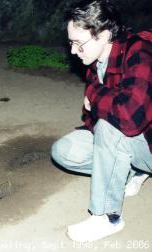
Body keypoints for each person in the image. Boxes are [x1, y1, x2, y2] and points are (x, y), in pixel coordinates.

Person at [51, 0, 152, 242]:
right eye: (70, 43)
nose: (73, 51)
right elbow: (92, 117)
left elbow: (128, 118)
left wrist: (95, 97)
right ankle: (130, 172)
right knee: (64, 151)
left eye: (78, 43)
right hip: (132, 142)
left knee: (112, 123)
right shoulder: (97, 61)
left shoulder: (141, 53)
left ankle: (107, 217)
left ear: (104, 34)